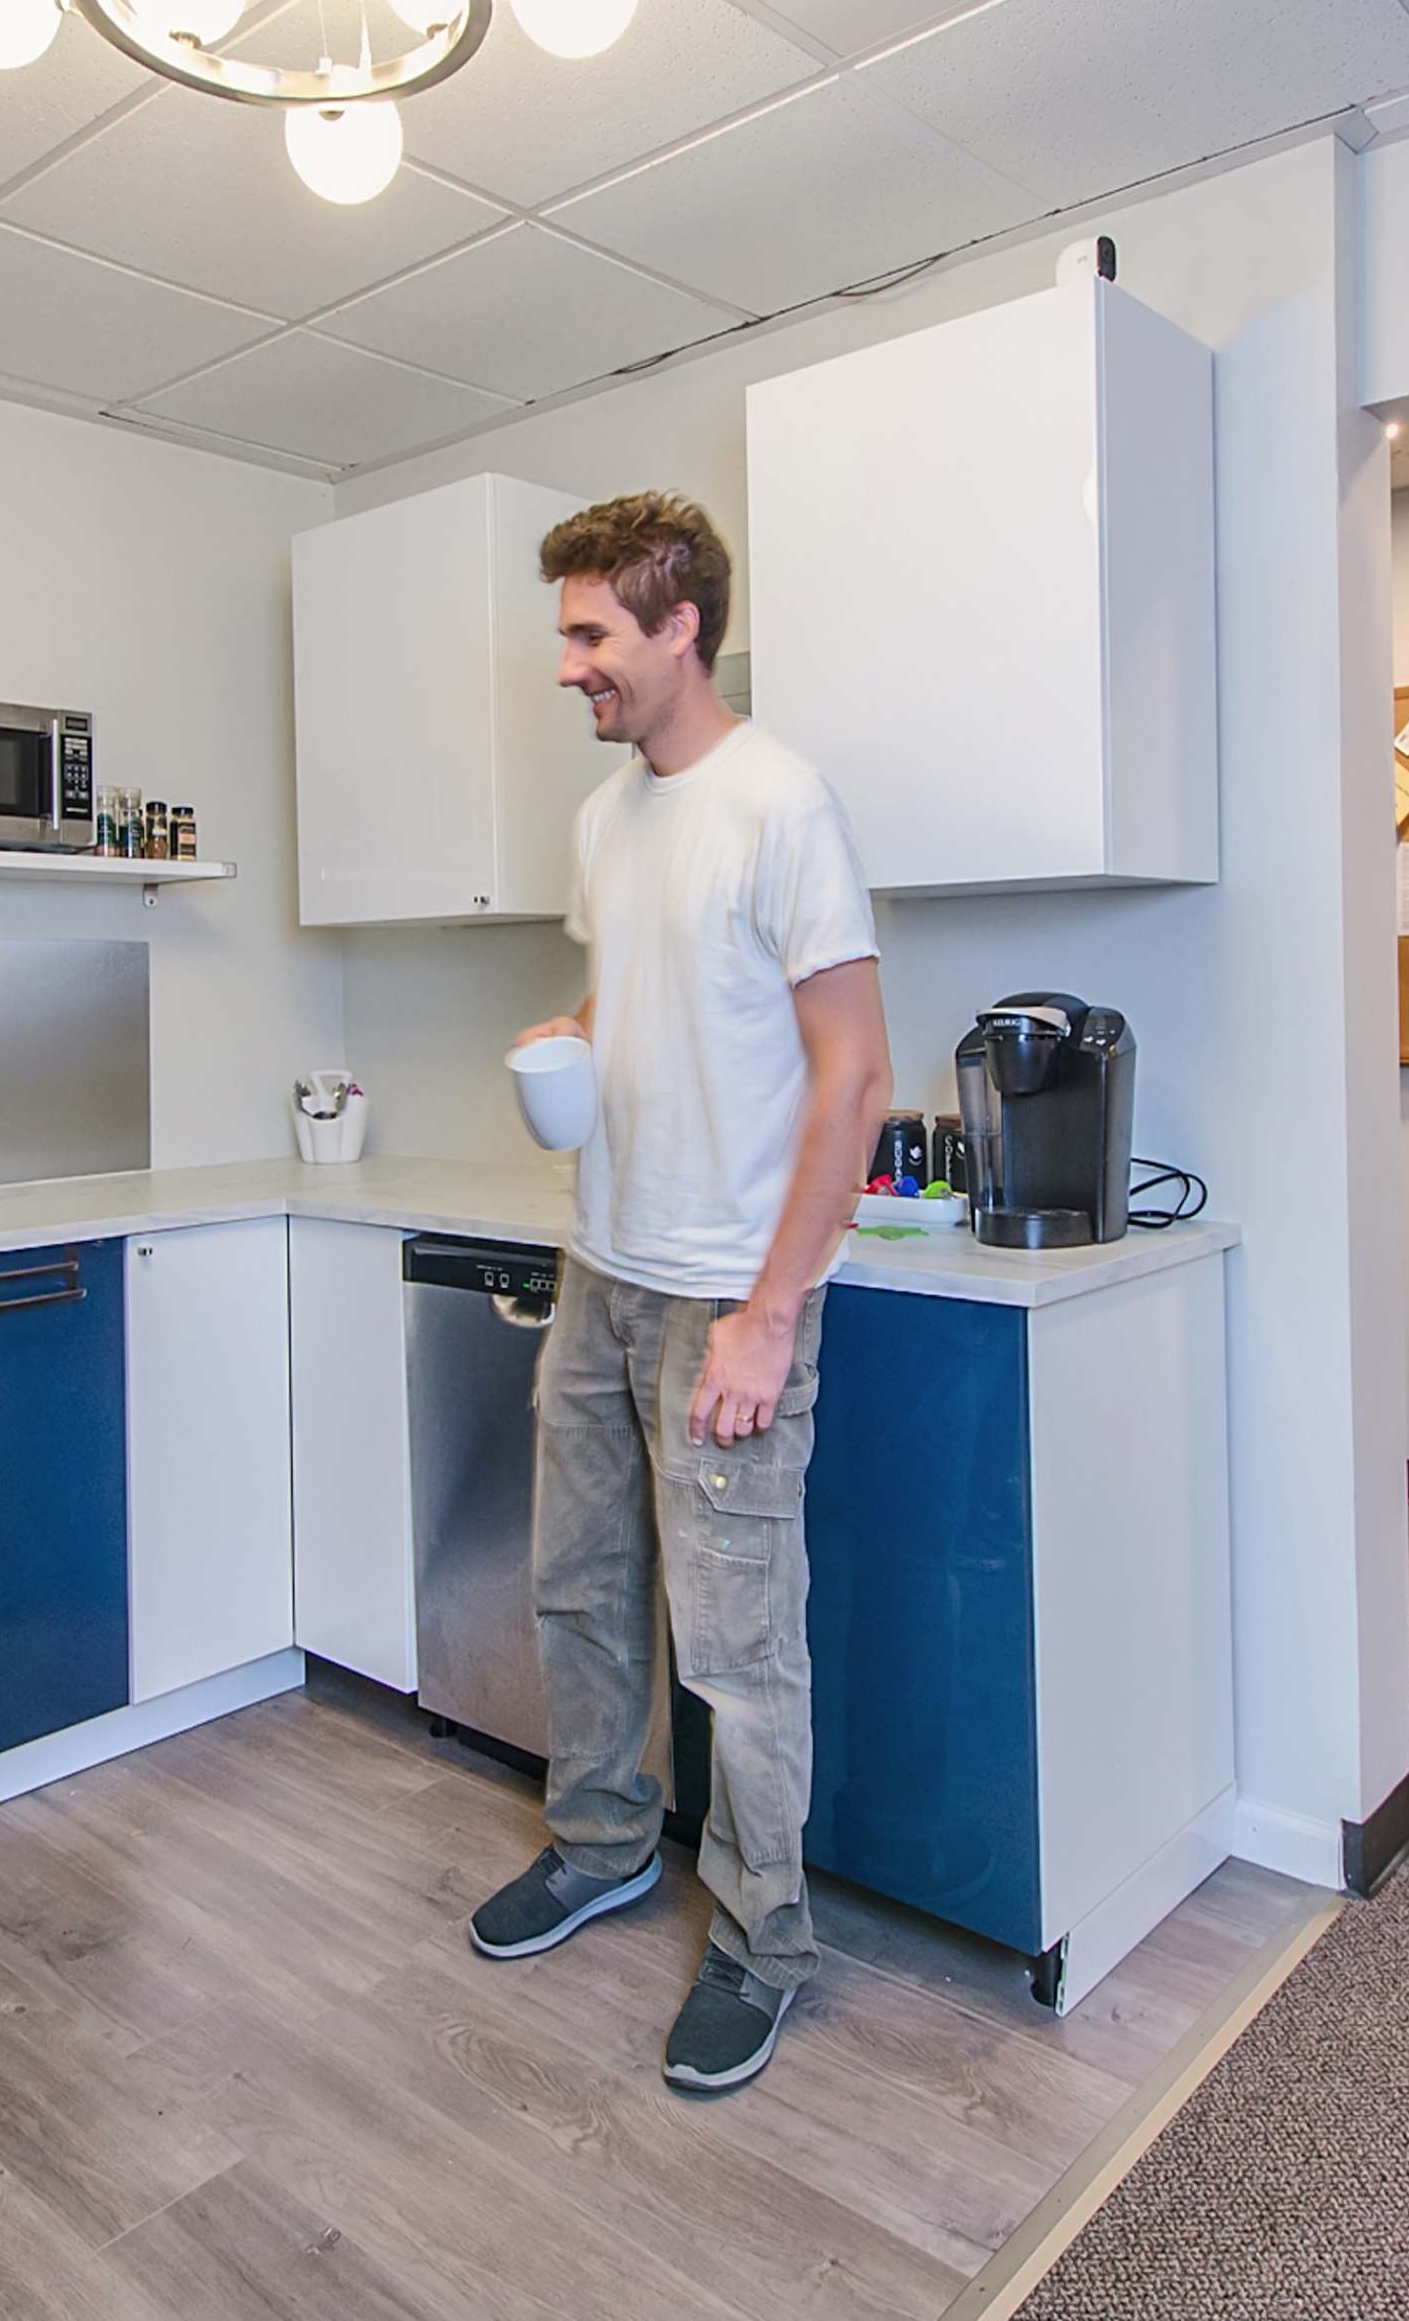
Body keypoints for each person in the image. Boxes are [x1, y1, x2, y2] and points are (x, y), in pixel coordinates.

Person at [465, 490, 889, 2096]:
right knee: (577, 1589)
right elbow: (629, 983)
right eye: (566, 632)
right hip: (602, 1264)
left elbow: (853, 1077)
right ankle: (600, 1845)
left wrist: (771, 1315)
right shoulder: (607, 820)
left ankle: (765, 1942)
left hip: (728, 1292)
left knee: (735, 1647)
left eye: (588, 635)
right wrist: (568, 1040)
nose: (568, 666)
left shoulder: (783, 806)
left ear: (677, 627)